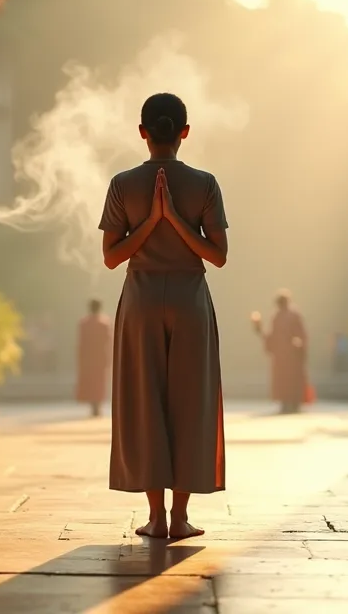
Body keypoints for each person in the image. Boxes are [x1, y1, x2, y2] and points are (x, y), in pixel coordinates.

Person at [99, 92, 228, 540]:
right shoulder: (205, 183)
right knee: (192, 402)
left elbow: (112, 258)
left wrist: (152, 220)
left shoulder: (122, 184)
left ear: (143, 132)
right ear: (184, 132)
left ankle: (155, 518)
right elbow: (218, 256)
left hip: (141, 299)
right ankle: (179, 517)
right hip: (191, 298)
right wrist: (175, 218)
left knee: (144, 401)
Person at [251, 290, 311, 414]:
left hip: (292, 355)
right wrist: (260, 329)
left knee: (293, 379)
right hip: (281, 355)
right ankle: (285, 403)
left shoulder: (294, 315)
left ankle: (294, 403)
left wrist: (299, 343)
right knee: (283, 380)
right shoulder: (276, 317)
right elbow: (272, 337)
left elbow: (301, 334)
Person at [76, 299, 113, 417]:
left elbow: (81, 343)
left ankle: (94, 404)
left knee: (91, 381)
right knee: (99, 381)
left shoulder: (84, 324)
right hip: (100, 357)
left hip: (89, 357)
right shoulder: (104, 323)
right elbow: (108, 342)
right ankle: (97, 404)